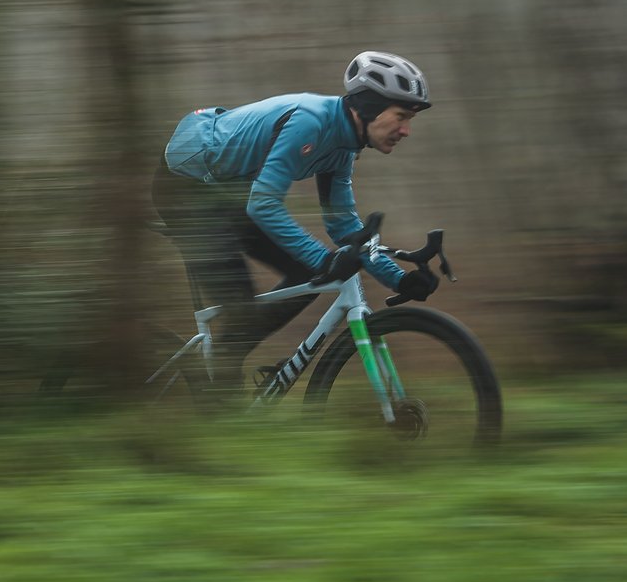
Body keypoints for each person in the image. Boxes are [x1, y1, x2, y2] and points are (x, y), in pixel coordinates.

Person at [153, 50, 440, 398]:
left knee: (308, 274)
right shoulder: (310, 122)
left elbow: (343, 225)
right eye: (401, 116)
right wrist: (325, 261)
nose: (406, 130)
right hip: (186, 190)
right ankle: (219, 398)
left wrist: (400, 279)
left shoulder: (343, 146)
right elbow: (263, 205)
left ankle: (224, 368)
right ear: (368, 107)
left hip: (230, 195)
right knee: (246, 305)